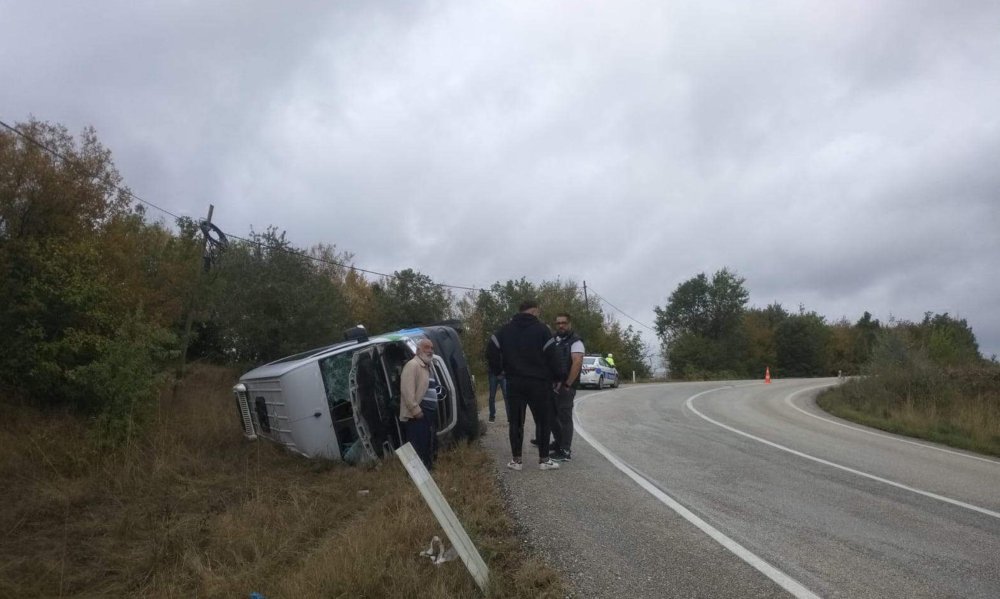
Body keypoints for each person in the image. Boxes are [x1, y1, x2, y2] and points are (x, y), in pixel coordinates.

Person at [487, 299, 562, 471]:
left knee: (516, 422)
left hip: (514, 382)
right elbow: (553, 356)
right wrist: (558, 377)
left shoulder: (504, 330)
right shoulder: (543, 330)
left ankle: (516, 461)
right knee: (542, 421)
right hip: (539, 382)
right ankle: (544, 460)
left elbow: (491, 349)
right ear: (535, 311)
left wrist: (499, 370)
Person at [550, 313, 584, 461]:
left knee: (564, 417)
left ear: (569, 324)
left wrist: (568, 384)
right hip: (552, 384)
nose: (561, 326)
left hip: (566, 385)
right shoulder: (555, 340)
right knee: (552, 416)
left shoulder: (575, 342)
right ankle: (559, 443)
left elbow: (577, 362)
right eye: (558, 323)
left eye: (563, 323)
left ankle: (565, 450)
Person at [400, 338, 438, 470]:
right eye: (426, 348)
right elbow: (406, 391)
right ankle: (417, 477)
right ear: (418, 350)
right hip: (417, 415)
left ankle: (428, 472)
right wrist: (417, 411)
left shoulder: (426, 366)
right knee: (418, 446)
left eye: (431, 348)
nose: (430, 351)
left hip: (428, 414)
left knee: (427, 444)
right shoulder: (412, 365)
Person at [484, 346, 509, 422]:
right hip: (493, 374)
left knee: (506, 396)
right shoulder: (491, 348)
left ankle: (510, 416)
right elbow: (487, 357)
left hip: (503, 375)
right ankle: (492, 416)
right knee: (492, 396)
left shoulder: (504, 347)